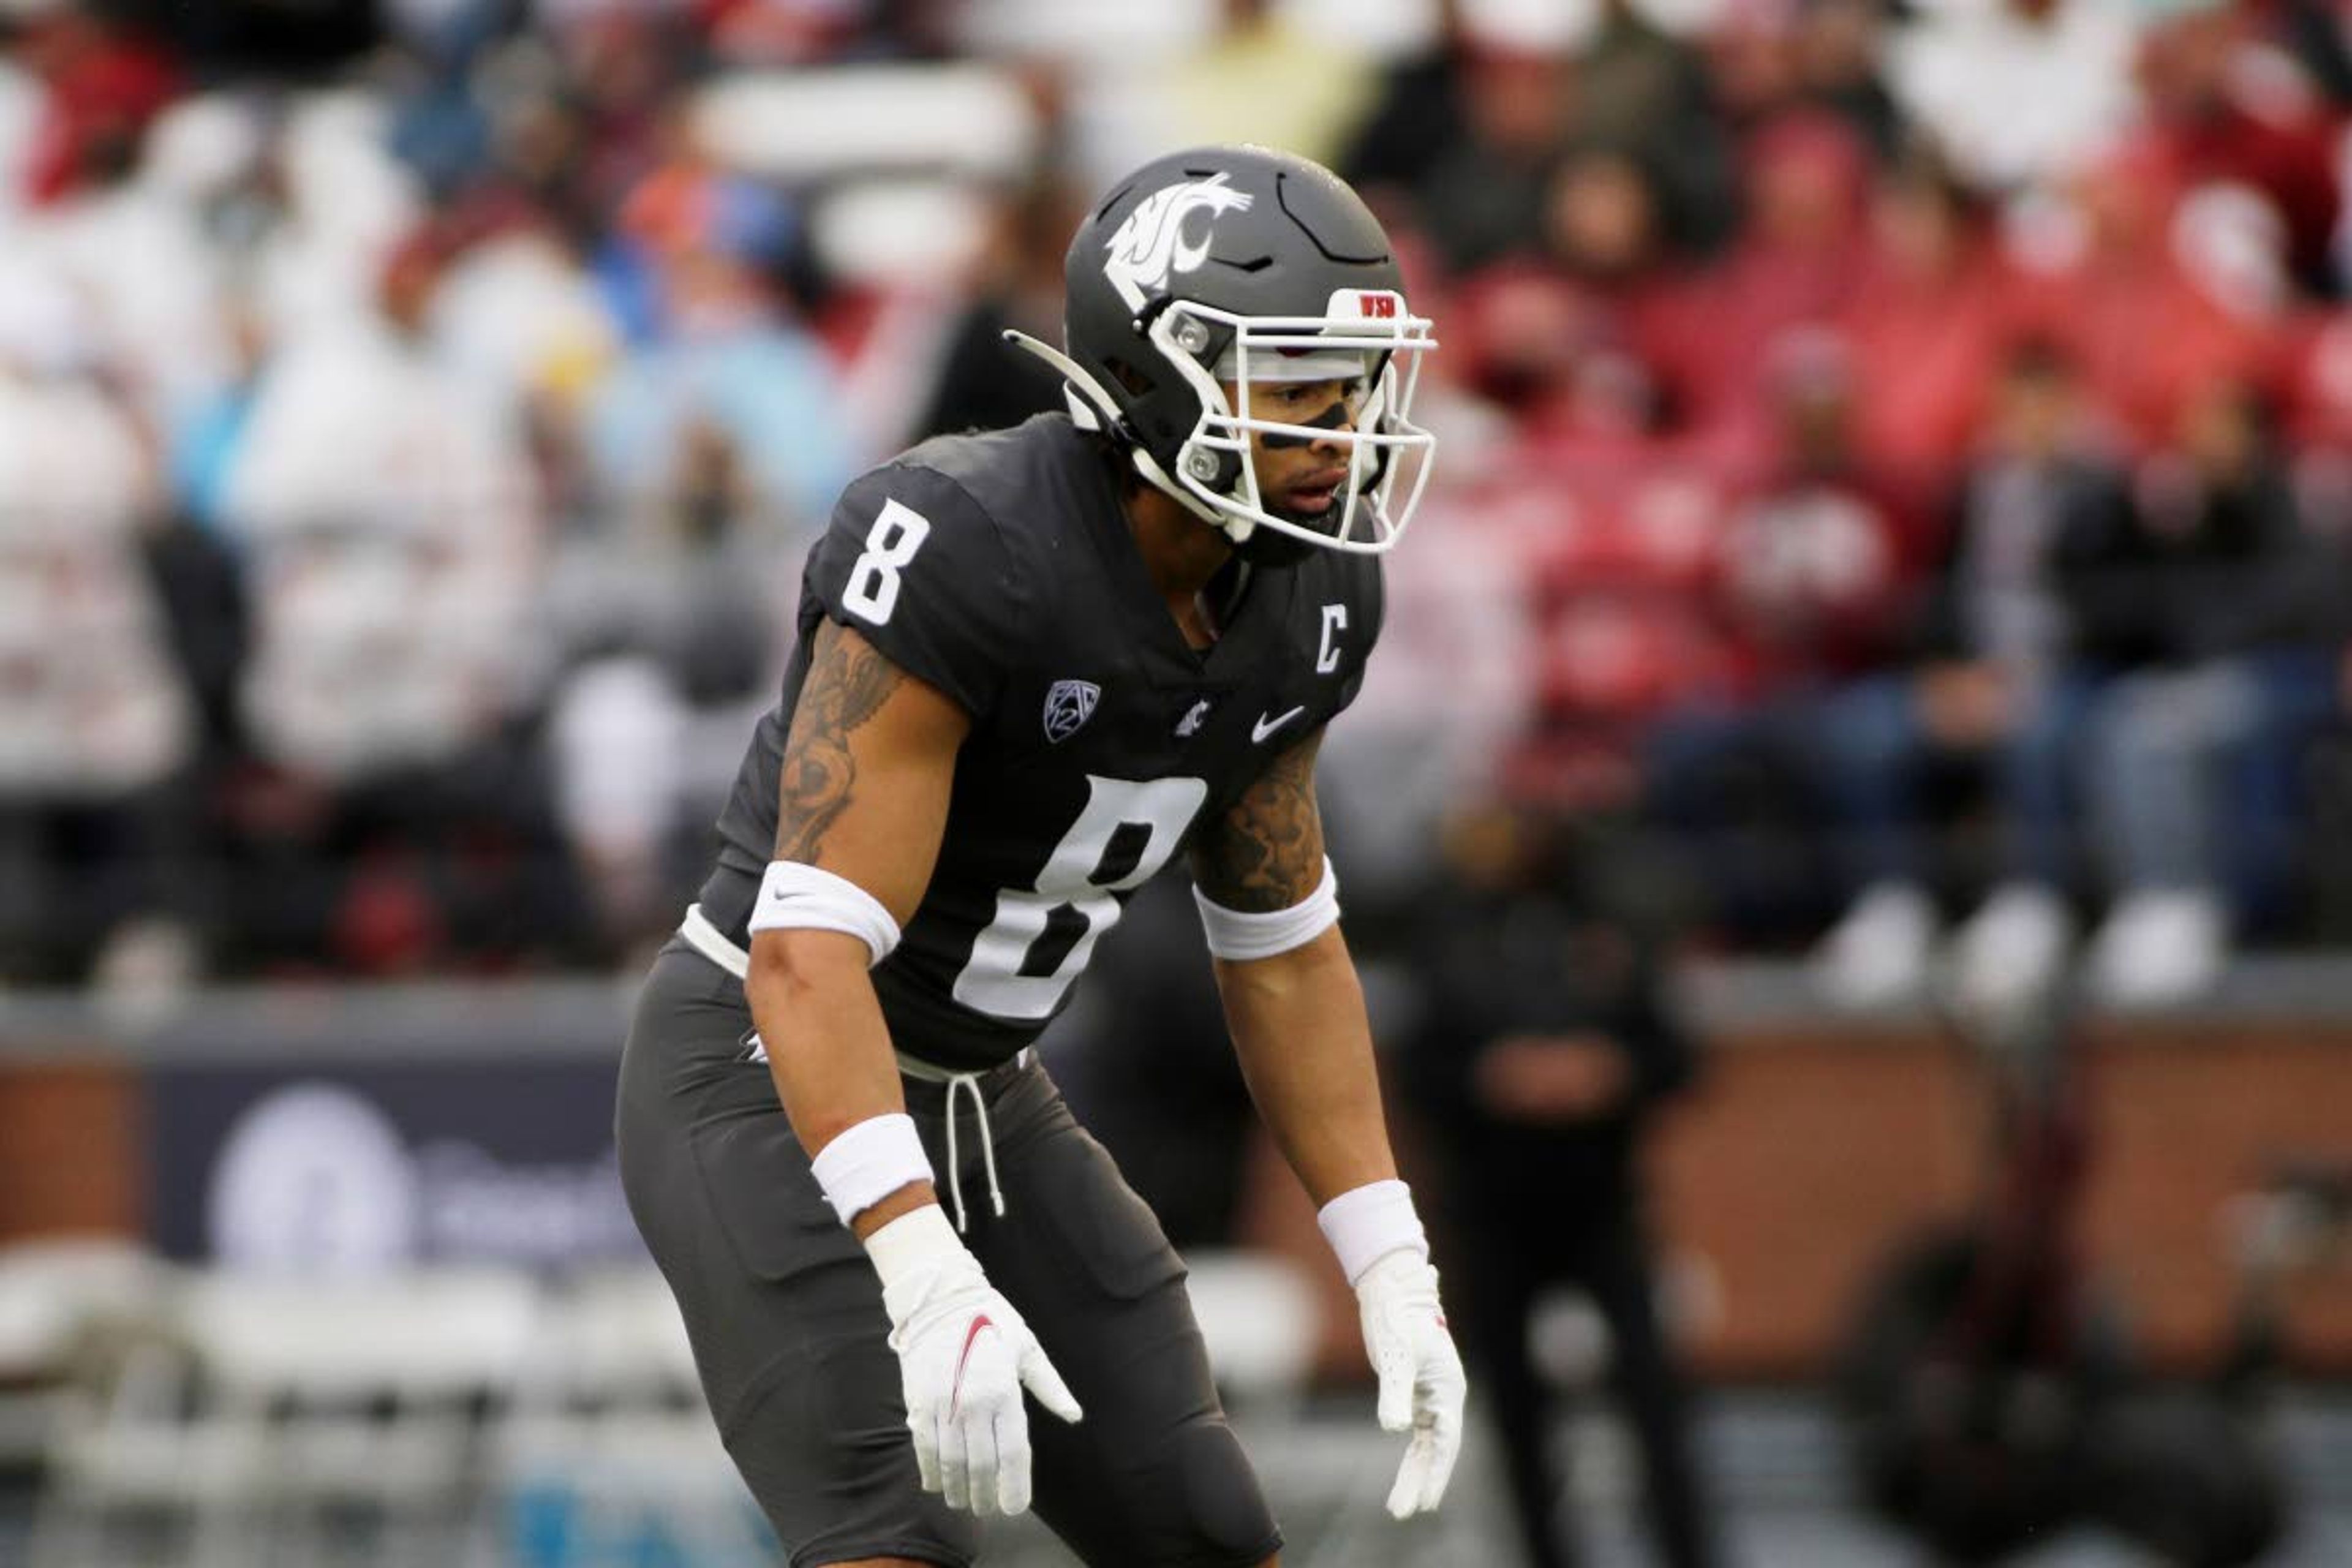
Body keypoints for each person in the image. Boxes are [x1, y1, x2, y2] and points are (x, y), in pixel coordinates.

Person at [614, 144, 1468, 1568]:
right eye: (1299, 380)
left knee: (1203, 1531)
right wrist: (911, 1252)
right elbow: (805, 946)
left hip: (987, 1097)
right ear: (1157, 373)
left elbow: (1280, 938)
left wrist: (1388, 1251)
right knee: (891, 1542)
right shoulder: (967, 539)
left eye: (1357, 380)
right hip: (766, 1073)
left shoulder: (1310, 586)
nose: (1347, 425)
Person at [1403, 802, 1718, 1568]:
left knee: (1654, 1400)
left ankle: (1691, 1551)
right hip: (1490, 1210)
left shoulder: (1611, 928)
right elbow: (1417, 1069)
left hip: (1602, 1206)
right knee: (1518, 1415)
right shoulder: (1450, 931)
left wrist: (1607, 1073)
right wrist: (1495, 1079)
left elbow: (1676, 1055)